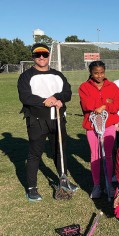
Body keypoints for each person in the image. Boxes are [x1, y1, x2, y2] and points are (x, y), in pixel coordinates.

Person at [18, 43, 77, 201]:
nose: (42, 57)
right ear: (33, 57)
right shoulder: (26, 76)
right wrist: (46, 100)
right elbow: (25, 97)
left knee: (60, 151)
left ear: (49, 55)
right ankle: (32, 188)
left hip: (57, 119)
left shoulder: (58, 75)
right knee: (35, 154)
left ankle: (64, 180)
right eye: (38, 55)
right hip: (37, 120)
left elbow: (67, 92)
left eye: (44, 54)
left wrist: (58, 97)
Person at [79, 60, 119, 198]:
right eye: (96, 73)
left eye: (102, 72)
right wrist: (106, 101)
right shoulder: (84, 87)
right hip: (92, 125)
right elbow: (87, 105)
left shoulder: (112, 86)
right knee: (95, 155)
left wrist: (105, 106)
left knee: (108, 155)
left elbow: (118, 104)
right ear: (90, 73)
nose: (99, 76)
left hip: (108, 125)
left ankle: (109, 184)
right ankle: (97, 185)